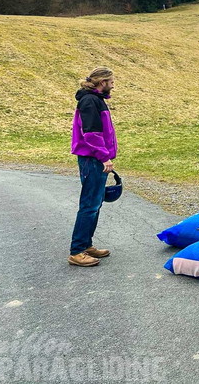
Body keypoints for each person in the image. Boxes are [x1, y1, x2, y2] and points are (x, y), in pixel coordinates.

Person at [68, 67, 117, 267]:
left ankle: (86, 245)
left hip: (95, 158)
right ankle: (77, 250)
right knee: (89, 204)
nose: (113, 84)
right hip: (92, 159)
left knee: (95, 203)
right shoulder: (89, 101)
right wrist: (104, 157)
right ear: (101, 82)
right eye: (111, 81)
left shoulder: (96, 100)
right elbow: (91, 134)